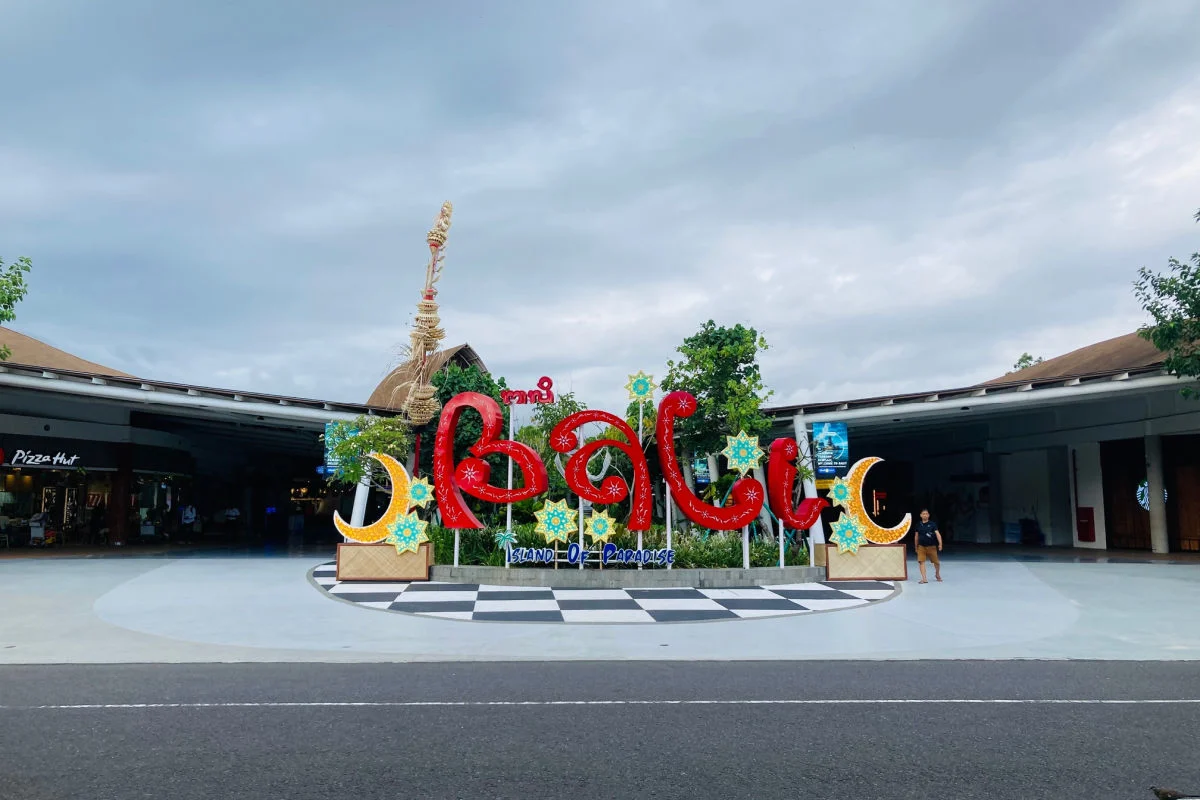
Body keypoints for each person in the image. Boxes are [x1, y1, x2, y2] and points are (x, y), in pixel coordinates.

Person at [913, 508, 942, 584]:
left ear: (928, 515)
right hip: (921, 546)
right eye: (923, 514)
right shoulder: (918, 525)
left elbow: (937, 534)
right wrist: (916, 546)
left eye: (926, 514)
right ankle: (924, 578)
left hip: (931, 546)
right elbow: (916, 536)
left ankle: (937, 574)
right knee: (921, 562)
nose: (925, 515)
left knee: (936, 563)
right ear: (920, 515)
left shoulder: (932, 524)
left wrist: (940, 544)